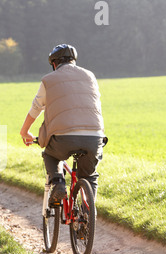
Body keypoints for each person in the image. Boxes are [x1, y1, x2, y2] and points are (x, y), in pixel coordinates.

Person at [20, 44, 106, 204]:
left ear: (54, 64)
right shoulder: (90, 76)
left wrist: (25, 131)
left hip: (62, 137)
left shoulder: (48, 80)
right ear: (73, 61)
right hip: (95, 136)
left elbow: (36, 107)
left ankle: (58, 183)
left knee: (51, 155)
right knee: (89, 176)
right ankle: (88, 213)